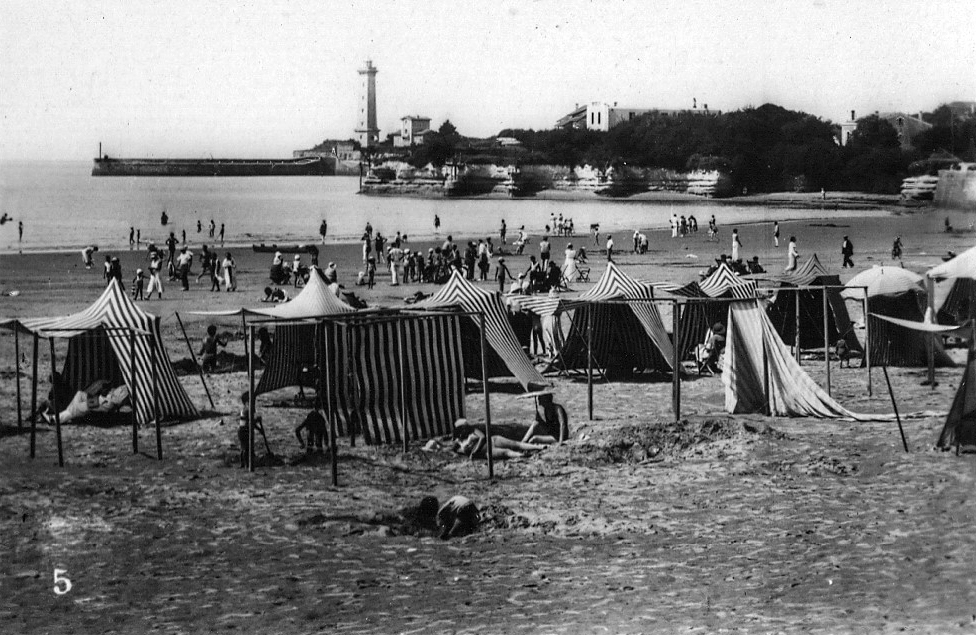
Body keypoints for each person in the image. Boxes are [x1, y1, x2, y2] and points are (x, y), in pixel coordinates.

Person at [237, 391, 268, 468]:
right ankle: (247, 464)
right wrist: (259, 426)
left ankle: (243, 463)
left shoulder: (245, 409)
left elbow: (250, 421)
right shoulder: (248, 410)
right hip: (245, 430)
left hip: (242, 430)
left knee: (243, 448)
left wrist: (257, 422)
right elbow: (251, 422)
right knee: (246, 448)